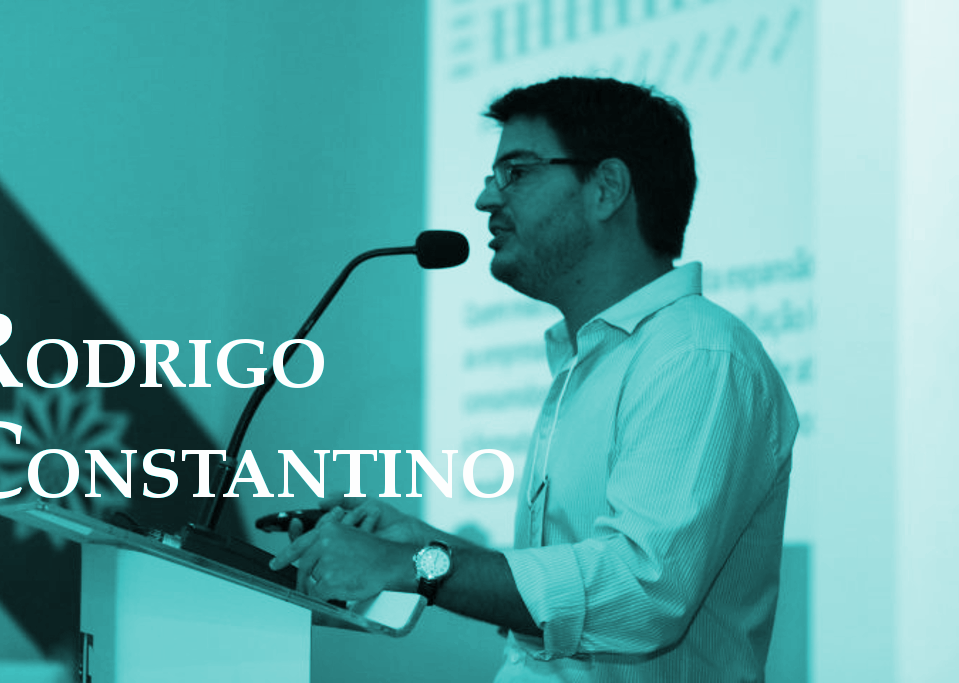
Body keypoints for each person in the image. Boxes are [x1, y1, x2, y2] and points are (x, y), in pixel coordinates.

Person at [269, 76, 798, 682]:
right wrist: (419, 543)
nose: (485, 200)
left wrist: (415, 564)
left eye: (515, 172)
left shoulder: (696, 356)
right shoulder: (589, 360)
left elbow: (642, 591)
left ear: (607, 188)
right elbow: (569, 599)